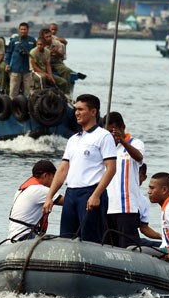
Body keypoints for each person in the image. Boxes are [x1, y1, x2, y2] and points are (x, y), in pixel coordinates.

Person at [43, 94, 117, 243]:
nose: (76, 113)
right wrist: (50, 196)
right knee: (66, 237)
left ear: (93, 112)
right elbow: (63, 169)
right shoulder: (73, 139)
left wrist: (96, 195)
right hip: (71, 193)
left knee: (90, 239)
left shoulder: (103, 136)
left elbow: (111, 169)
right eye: (76, 109)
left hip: (90, 192)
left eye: (81, 109)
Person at [104, 111, 146, 248]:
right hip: (106, 206)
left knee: (128, 246)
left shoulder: (135, 143)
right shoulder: (104, 147)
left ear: (123, 127)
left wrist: (121, 140)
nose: (111, 135)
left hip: (126, 208)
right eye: (107, 132)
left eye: (113, 131)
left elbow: (139, 157)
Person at [7, 160, 60, 242]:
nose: (54, 182)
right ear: (45, 175)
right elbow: (67, 201)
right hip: (24, 237)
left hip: (13, 237)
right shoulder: (39, 190)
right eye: (53, 177)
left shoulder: (23, 189)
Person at [5, 22, 36, 97]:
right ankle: (12, 106)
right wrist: (7, 64)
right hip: (15, 69)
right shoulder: (14, 40)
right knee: (13, 91)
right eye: (21, 29)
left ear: (28, 30)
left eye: (24, 29)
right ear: (19, 30)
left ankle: (27, 107)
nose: (23, 31)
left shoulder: (32, 40)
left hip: (28, 70)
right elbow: (8, 53)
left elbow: (35, 54)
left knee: (28, 92)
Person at [136, 164, 162, 247]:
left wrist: (162, 236)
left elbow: (144, 228)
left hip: (134, 240)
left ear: (144, 177)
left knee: (164, 246)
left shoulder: (143, 201)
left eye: (136, 175)